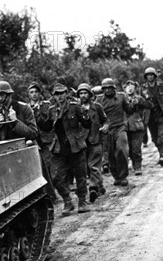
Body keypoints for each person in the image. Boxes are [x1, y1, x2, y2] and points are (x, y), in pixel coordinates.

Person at [45, 83, 91, 215]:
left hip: (75, 146)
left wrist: (86, 114)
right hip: (59, 148)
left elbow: (86, 123)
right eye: (57, 94)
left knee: (81, 175)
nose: (60, 96)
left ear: (66, 94)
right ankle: (67, 200)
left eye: (62, 93)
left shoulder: (74, 107)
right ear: (54, 96)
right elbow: (47, 127)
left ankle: (82, 201)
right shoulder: (52, 110)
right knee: (55, 177)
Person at [96, 78, 136, 186]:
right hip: (107, 130)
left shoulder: (121, 96)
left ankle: (123, 176)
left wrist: (133, 104)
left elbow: (129, 110)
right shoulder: (98, 100)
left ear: (113, 88)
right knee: (110, 154)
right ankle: (116, 176)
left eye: (110, 88)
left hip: (120, 127)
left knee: (122, 150)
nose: (107, 90)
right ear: (103, 89)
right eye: (105, 88)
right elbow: (95, 115)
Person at [77, 83, 109, 203]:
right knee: (86, 168)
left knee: (94, 166)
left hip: (96, 140)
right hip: (81, 143)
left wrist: (105, 127)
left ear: (90, 94)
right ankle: (99, 186)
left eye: (85, 93)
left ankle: (93, 189)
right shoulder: (76, 108)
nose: (83, 95)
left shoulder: (97, 107)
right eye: (81, 93)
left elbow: (106, 120)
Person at [141, 67, 163, 166]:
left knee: (162, 137)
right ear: (146, 77)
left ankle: (162, 156)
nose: (150, 77)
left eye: (152, 75)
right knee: (154, 139)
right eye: (148, 75)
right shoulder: (143, 89)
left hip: (161, 115)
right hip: (150, 117)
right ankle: (161, 152)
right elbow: (140, 103)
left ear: (155, 76)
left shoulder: (161, 86)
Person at [124, 80, 153, 175]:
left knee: (136, 148)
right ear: (124, 88)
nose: (129, 88)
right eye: (127, 86)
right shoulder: (121, 99)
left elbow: (150, 105)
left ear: (135, 88)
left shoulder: (139, 98)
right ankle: (132, 163)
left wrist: (146, 98)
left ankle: (137, 166)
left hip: (137, 126)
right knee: (128, 149)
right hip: (124, 127)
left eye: (132, 86)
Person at [27, 81, 54, 170]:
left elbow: (50, 122)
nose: (34, 94)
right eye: (31, 92)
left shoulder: (47, 105)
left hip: (47, 140)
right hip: (33, 141)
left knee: (49, 165)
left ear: (39, 93)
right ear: (29, 94)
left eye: (36, 92)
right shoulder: (26, 108)